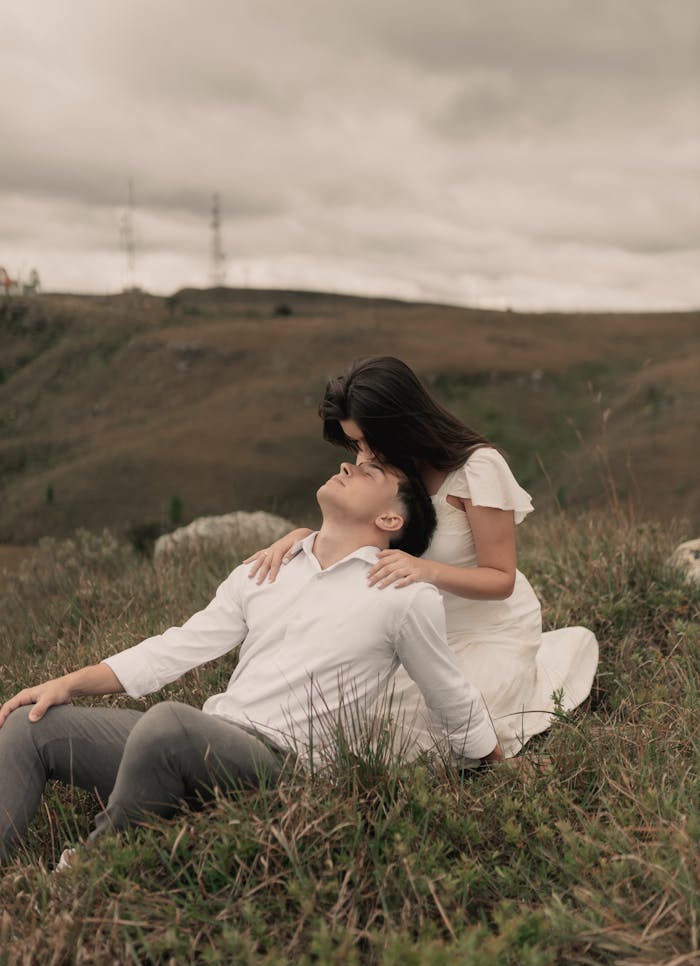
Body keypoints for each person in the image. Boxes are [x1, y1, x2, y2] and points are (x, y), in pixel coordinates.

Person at [0, 457, 501, 867]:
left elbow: (449, 692)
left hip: (279, 772)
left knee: (169, 724)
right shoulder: (268, 567)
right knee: (31, 724)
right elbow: (177, 645)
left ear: (391, 520)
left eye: (370, 473)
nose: (348, 464)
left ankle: (86, 871)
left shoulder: (402, 595)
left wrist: (496, 765)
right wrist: (69, 683)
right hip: (206, 741)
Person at [247, 356, 599, 758]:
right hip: (410, 631)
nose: (363, 454)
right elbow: (356, 533)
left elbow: (501, 578)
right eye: (356, 443)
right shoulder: (378, 465)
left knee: (425, 732)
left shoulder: (478, 468)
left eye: (367, 440)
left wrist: (425, 570)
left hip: (485, 632)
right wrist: (297, 539)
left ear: (401, 425)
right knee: (339, 718)